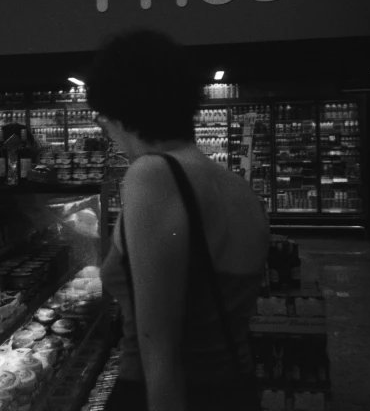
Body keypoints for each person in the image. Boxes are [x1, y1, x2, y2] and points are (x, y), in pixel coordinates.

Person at [87, 30, 269, 411]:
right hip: (235, 391)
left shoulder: (152, 176)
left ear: (121, 112)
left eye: (104, 118)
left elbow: (160, 351)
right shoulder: (239, 189)